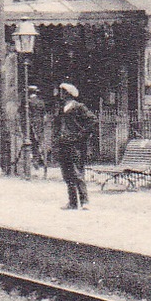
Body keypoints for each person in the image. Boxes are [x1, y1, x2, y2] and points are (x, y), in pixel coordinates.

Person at [54, 82, 94, 210]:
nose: (60, 94)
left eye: (63, 92)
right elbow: (57, 125)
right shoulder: (61, 108)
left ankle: (84, 201)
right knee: (67, 174)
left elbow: (92, 121)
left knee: (77, 173)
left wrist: (80, 136)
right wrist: (57, 137)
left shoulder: (78, 107)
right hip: (63, 144)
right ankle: (72, 202)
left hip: (75, 145)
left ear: (68, 94)